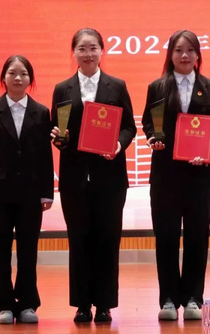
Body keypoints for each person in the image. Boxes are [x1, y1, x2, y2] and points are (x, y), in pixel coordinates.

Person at [50, 28, 136, 323]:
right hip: (74, 179)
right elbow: (57, 129)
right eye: (82, 49)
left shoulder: (117, 86)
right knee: (79, 239)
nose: (87, 54)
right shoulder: (63, 89)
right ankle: (82, 304)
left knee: (108, 240)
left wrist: (118, 145)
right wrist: (58, 139)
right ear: (74, 52)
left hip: (110, 178)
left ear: (102, 51)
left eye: (93, 48)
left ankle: (105, 304)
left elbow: (129, 127)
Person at [141, 29, 210, 321]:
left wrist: (207, 150)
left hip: (199, 176)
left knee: (197, 238)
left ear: (198, 54)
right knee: (165, 237)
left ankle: (192, 298)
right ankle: (168, 299)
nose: (184, 55)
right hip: (165, 175)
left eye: (190, 50)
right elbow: (149, 123)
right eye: (178, 50)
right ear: (170, 55)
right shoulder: (157, 87)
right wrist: (153, 138)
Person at [0, 55, 55, 324]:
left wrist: (47, 191)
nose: (18, 78)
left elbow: (45, 156)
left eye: (23, 73)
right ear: (4, 78)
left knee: (28, 249)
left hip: (31, 192)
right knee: (0, 250)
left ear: (31, 79)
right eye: (12, 73)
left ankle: (28, 303)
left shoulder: (41, 112)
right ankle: (3, 305)